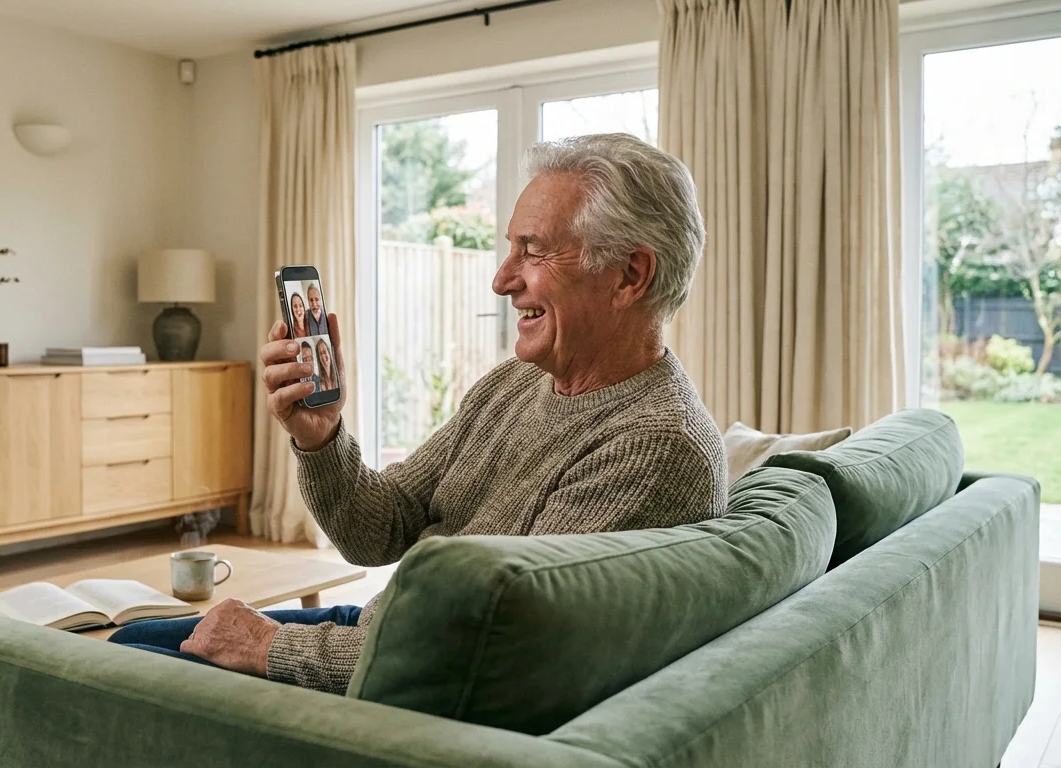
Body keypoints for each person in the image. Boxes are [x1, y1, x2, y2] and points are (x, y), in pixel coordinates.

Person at [110, 133, 728, 695]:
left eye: (531, 251)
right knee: (123, 650)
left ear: (629, 275)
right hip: (387, 630)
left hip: (403, 680)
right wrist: (322, 440)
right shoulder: (515, 383)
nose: (501, 279)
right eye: (510, 248)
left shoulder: (656, 446)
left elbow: (494, 652)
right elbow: (378, 529)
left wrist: (270, 646)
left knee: (112, 679)